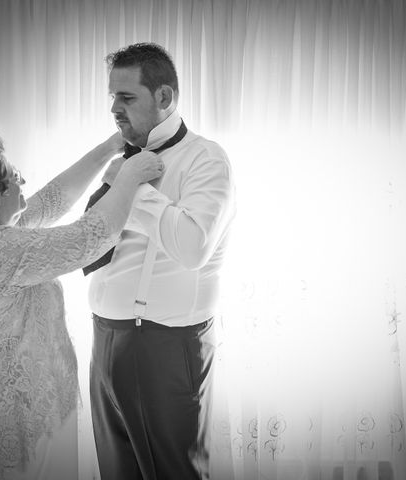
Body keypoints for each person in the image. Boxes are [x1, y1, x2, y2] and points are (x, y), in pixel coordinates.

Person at [0, 126, 164, 480]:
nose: (23, 178)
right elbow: (90, 238)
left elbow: (51, 201)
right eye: (13, 173)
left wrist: (110, 146)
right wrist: (130, 176)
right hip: (5, 424)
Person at [86, 43, 236, 480]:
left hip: (164, 347)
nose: (114, 108)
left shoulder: (206, 158)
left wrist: (132, 188)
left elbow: (192, 247)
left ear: (165, 97)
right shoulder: (123, 160)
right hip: (104, 341)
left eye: (127, 97)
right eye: (112, 97)